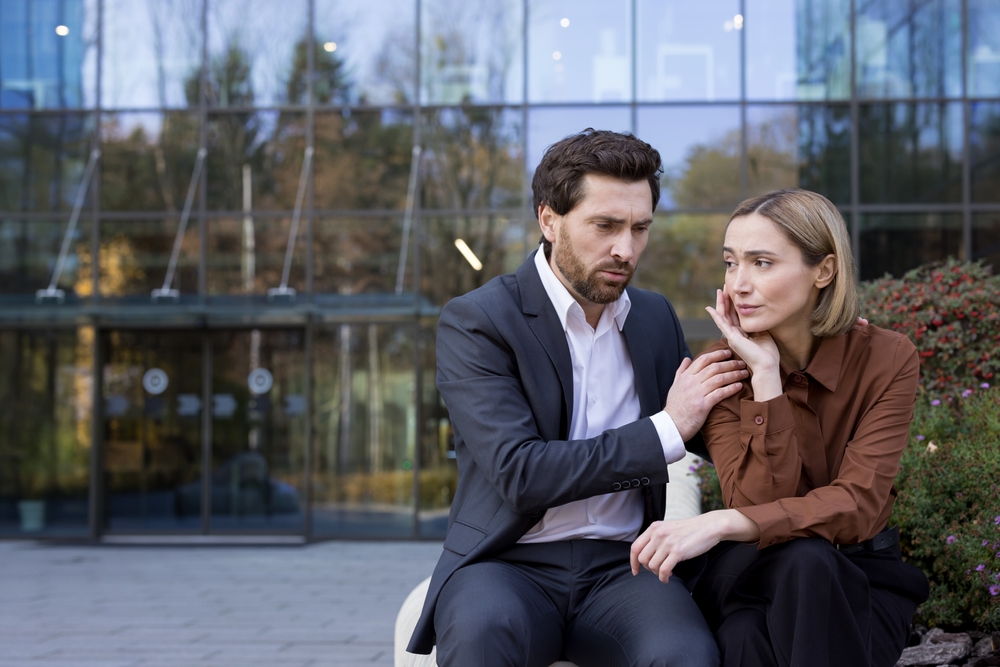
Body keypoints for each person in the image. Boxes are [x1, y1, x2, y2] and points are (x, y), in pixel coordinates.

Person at [405, 129, 750, 666]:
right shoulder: (479, 320)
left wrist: (784, 355)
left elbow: (718, 434)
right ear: (549, 219)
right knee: (480, 636)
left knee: (684, 654)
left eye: (640, 229)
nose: (626, 249)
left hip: (624, 566)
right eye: (606, 226)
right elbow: (522, 473)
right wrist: (667, 427)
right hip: (506, 563)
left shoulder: (654, 317)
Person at [630, 188, 930, 667]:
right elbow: (759, 505)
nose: (738, 285)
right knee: (794, 571)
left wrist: (723, 521)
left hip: (860, 578)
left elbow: (858, 504)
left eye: (762, 263)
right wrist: (765, 381)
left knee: (759, 624)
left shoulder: (887, 358)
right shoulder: (722, 371)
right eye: (731, 263)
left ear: (824, 271)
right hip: (755, 574)